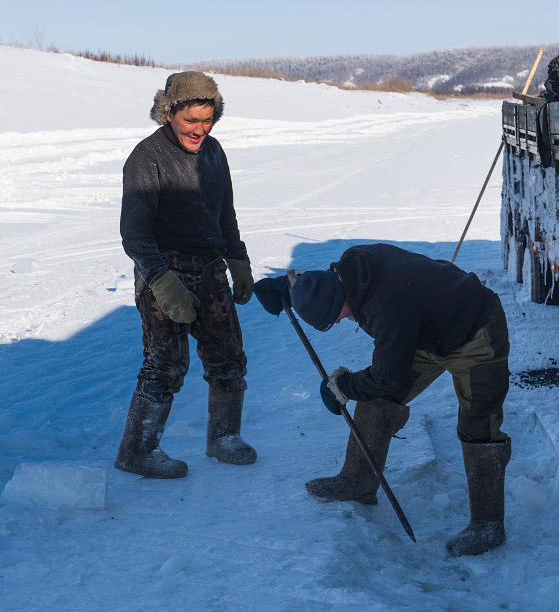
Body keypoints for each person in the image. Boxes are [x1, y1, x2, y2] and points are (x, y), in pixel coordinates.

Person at [254, 243, 511, 556]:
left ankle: (488, 524)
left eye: (337, 317)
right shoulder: (350, 267)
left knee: (478, 421)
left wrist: (344, 385)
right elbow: (322, 285)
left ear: (340, 298)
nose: (339, 322)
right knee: (379, 397)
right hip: (423, 328)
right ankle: (358, 480)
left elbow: (387, 374)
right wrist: (293, 288)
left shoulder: (386, 308)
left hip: (474, 327)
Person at [115, 71, 256, 479]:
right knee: (166, 365)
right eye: (191, 120)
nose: (200, 129)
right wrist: (160, 281)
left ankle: (224, 438)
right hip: (163, 269)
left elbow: (225, 213)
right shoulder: (146, 158)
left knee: (229, 357)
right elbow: (134, 234)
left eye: (208, 120)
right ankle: (137, 450)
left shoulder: (214, 153)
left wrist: (238, 259)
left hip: (210, 267)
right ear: (169, 111)